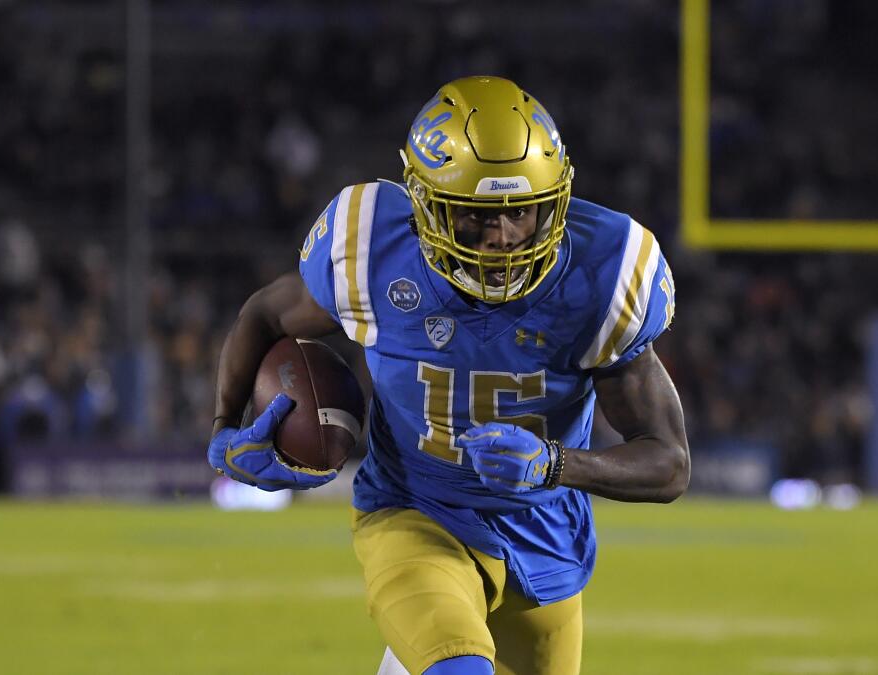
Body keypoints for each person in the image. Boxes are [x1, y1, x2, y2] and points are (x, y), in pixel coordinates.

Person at [208, 76, 691, 675]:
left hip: (543, 540)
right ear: (425, 204)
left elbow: (669, 463)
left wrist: (553, 464)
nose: (505, 236)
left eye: (524, 212)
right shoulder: (371, 248)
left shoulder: (606, 274)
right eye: (478, 216)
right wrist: (227, 425)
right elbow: (265, 312)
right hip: (414, 511)